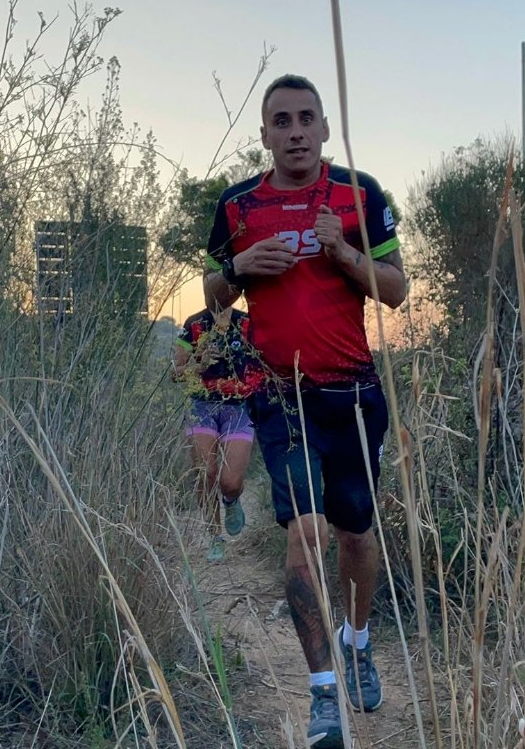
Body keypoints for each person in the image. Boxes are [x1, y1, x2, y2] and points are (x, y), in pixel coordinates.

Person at [203, 74, 407, 747]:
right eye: (282, 121)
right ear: (264, 134)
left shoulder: (359, 194)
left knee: (355, 535)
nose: (295, 132)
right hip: (279, 394)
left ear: (323, 128)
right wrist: (240, 268)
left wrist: (342, 251)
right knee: (306, 531)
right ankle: (323, 693)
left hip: (352, 392)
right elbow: (213, 294)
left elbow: (396, 290)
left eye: (305, 119)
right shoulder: (238, 204)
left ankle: (357, 641)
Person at [172, 306, 264, 562]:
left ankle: (231, 500)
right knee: (206, 473)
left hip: (239, 407)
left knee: (230, 482)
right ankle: (215, 537)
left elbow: (265, 364)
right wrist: (198, 365)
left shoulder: (247, 323)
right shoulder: (194, 323)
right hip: (201, 406)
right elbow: (174, 372)